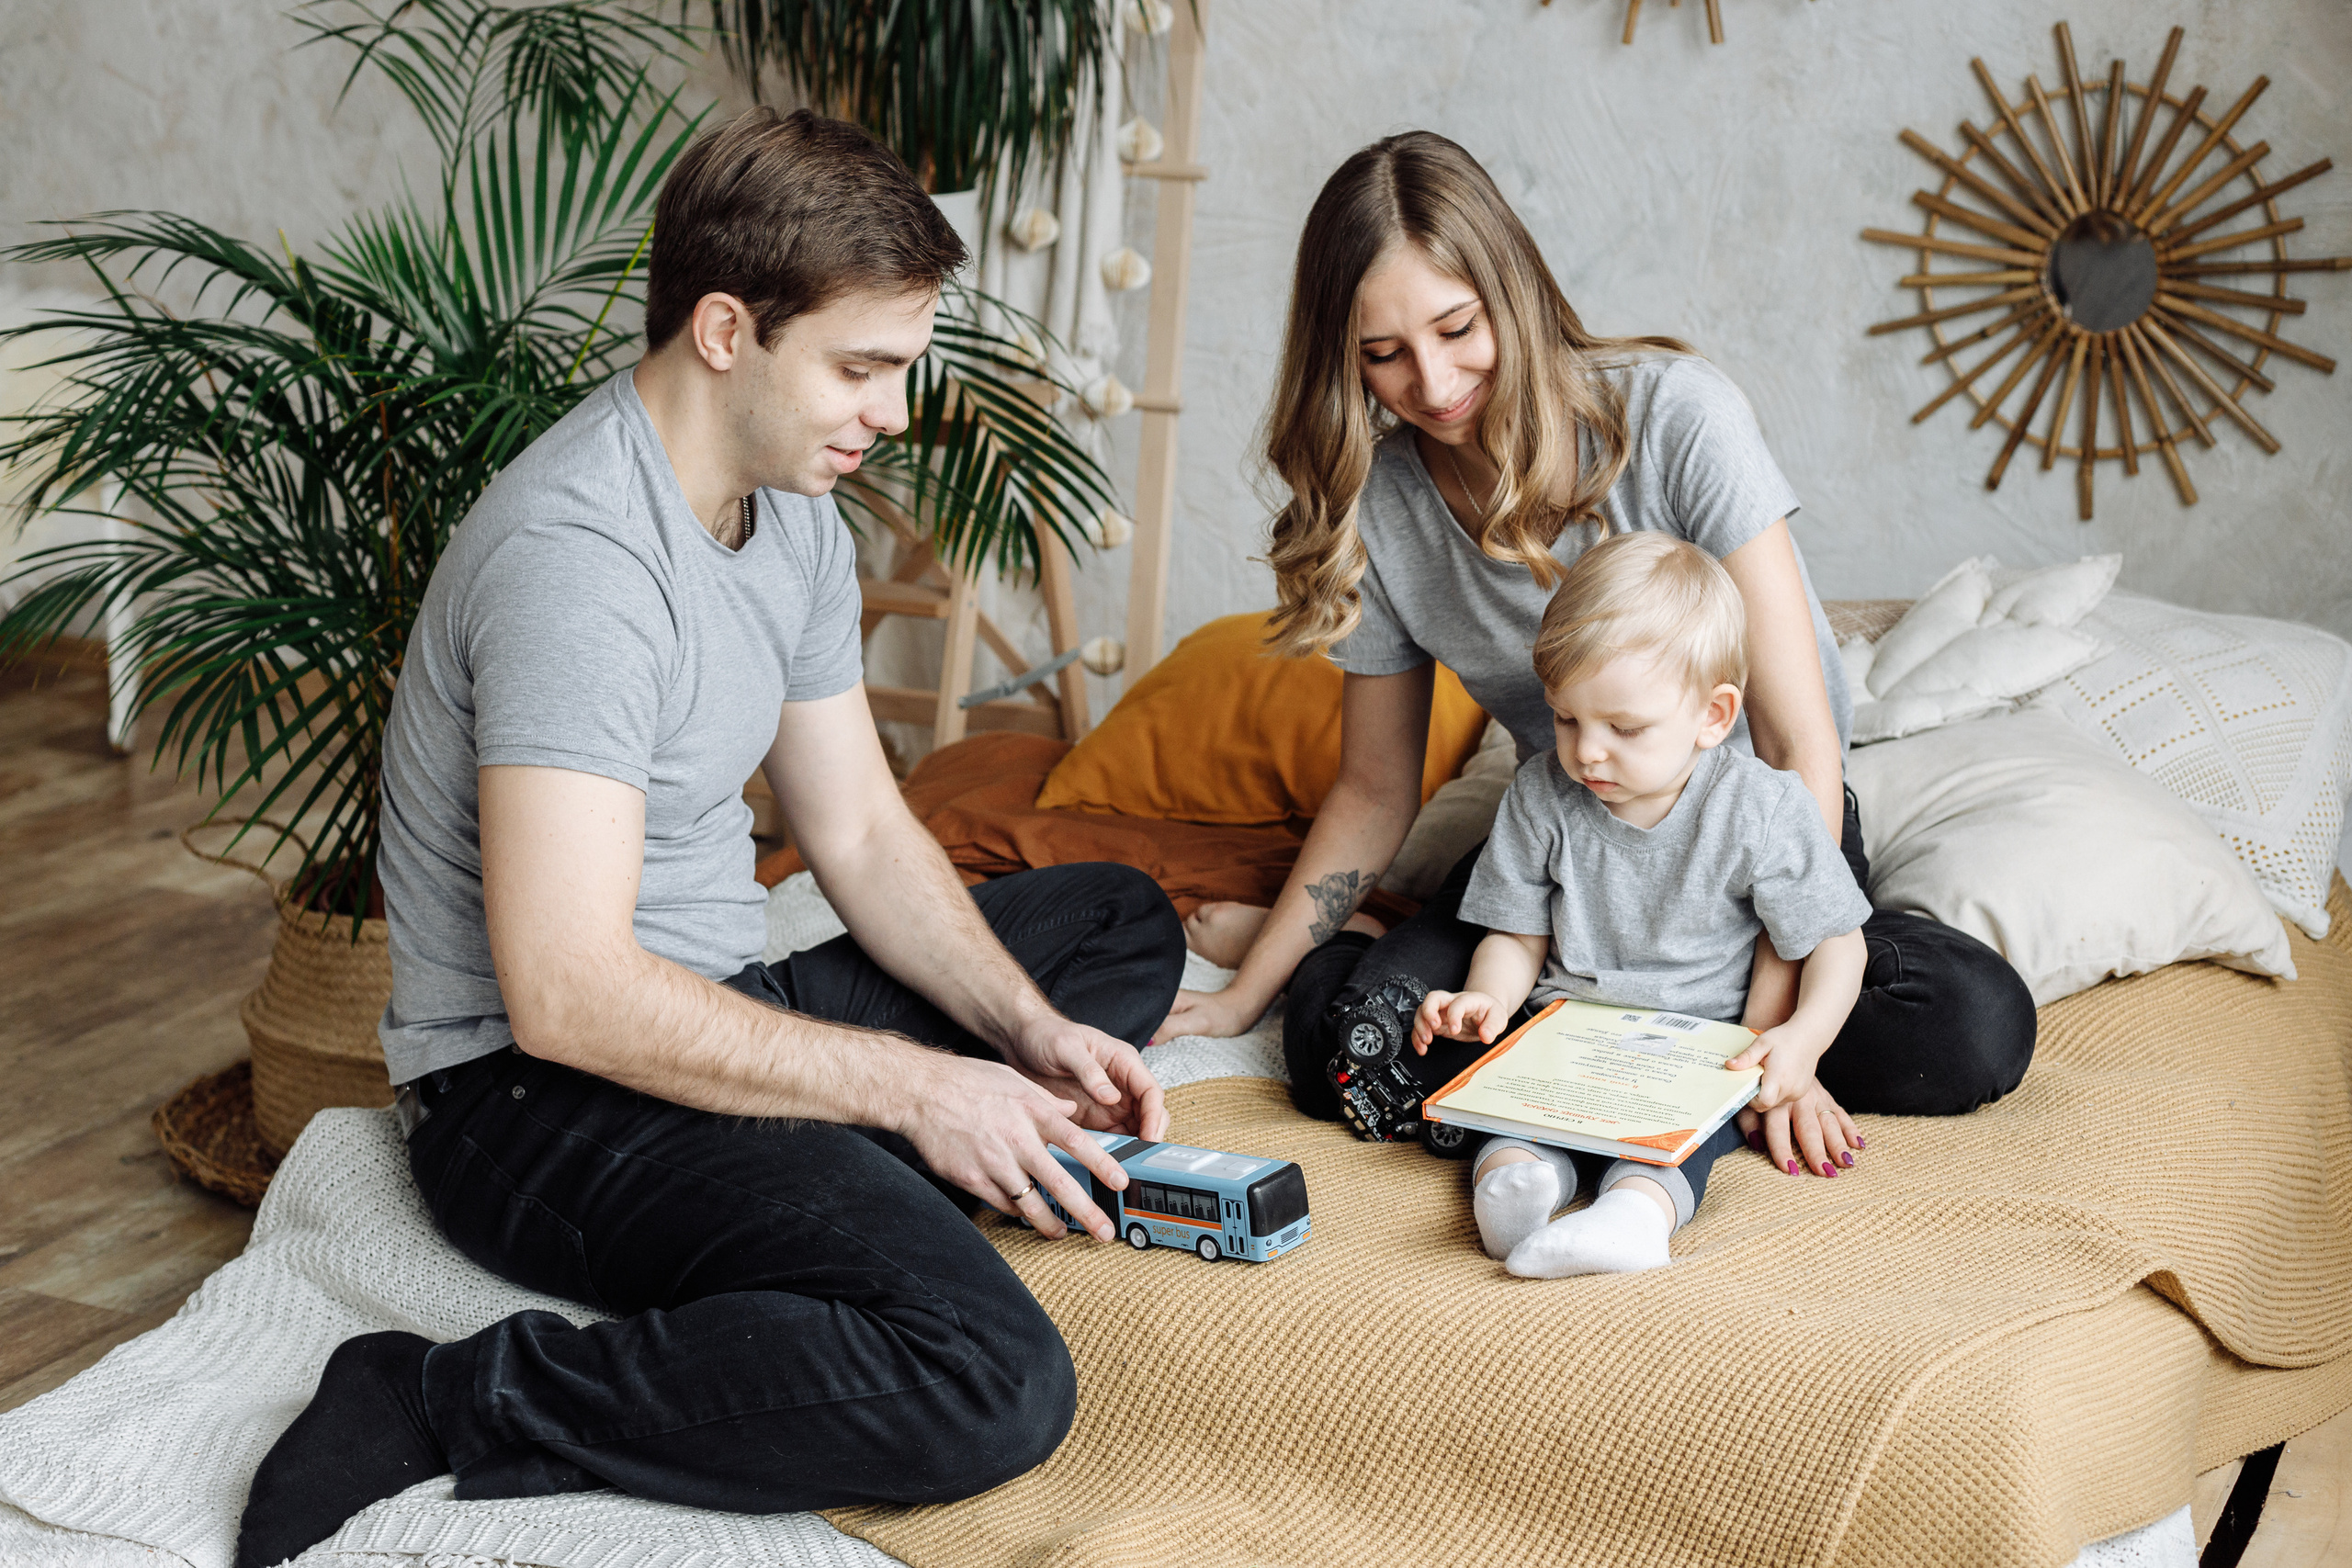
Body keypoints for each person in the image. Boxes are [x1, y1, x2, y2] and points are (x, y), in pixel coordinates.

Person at [234, 108, 1185, 1568]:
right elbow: (566, 993)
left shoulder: (789, 510)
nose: (893, 412)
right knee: (991, 1375)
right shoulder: (578, 560)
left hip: (712, 1003)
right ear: (729, 329)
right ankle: (446, 1393)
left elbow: (861, 824)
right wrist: (917, 1089)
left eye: (902, 370)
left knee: (1115, 924)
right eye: (861, 369)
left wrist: (1016, 1029)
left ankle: (862, 1168)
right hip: (528, 1095)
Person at [1160, 130, 2034, 1182]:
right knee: (1336, 1047)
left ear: (1512, 294)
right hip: (1569, 841)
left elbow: (1795, 741)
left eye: (1455, 328)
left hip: (1754, 832)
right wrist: (1243, 997)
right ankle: (1451, 978)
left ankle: (1587, 1041)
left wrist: (1756, 1041)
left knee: (1973, 1028)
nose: (1432, 384)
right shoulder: (1381, 503)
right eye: (1380, 353)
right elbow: (1373, 787)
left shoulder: (1676, 417)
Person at [1410, 533, 1870, 1277]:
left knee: (1665, 1153)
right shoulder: (1540, 793)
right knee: (1515, 1127)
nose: (1587, 752)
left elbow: (1837, 945)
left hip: (1696, 1050)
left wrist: (1802, 1038)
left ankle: (1632, 1220)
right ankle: (1516, 1191)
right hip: (1565, 1038)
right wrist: (1487, 998)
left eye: (1623, 729)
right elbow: (1517, 936)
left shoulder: (1759, 807)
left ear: (1713, 715)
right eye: (1566, 719)